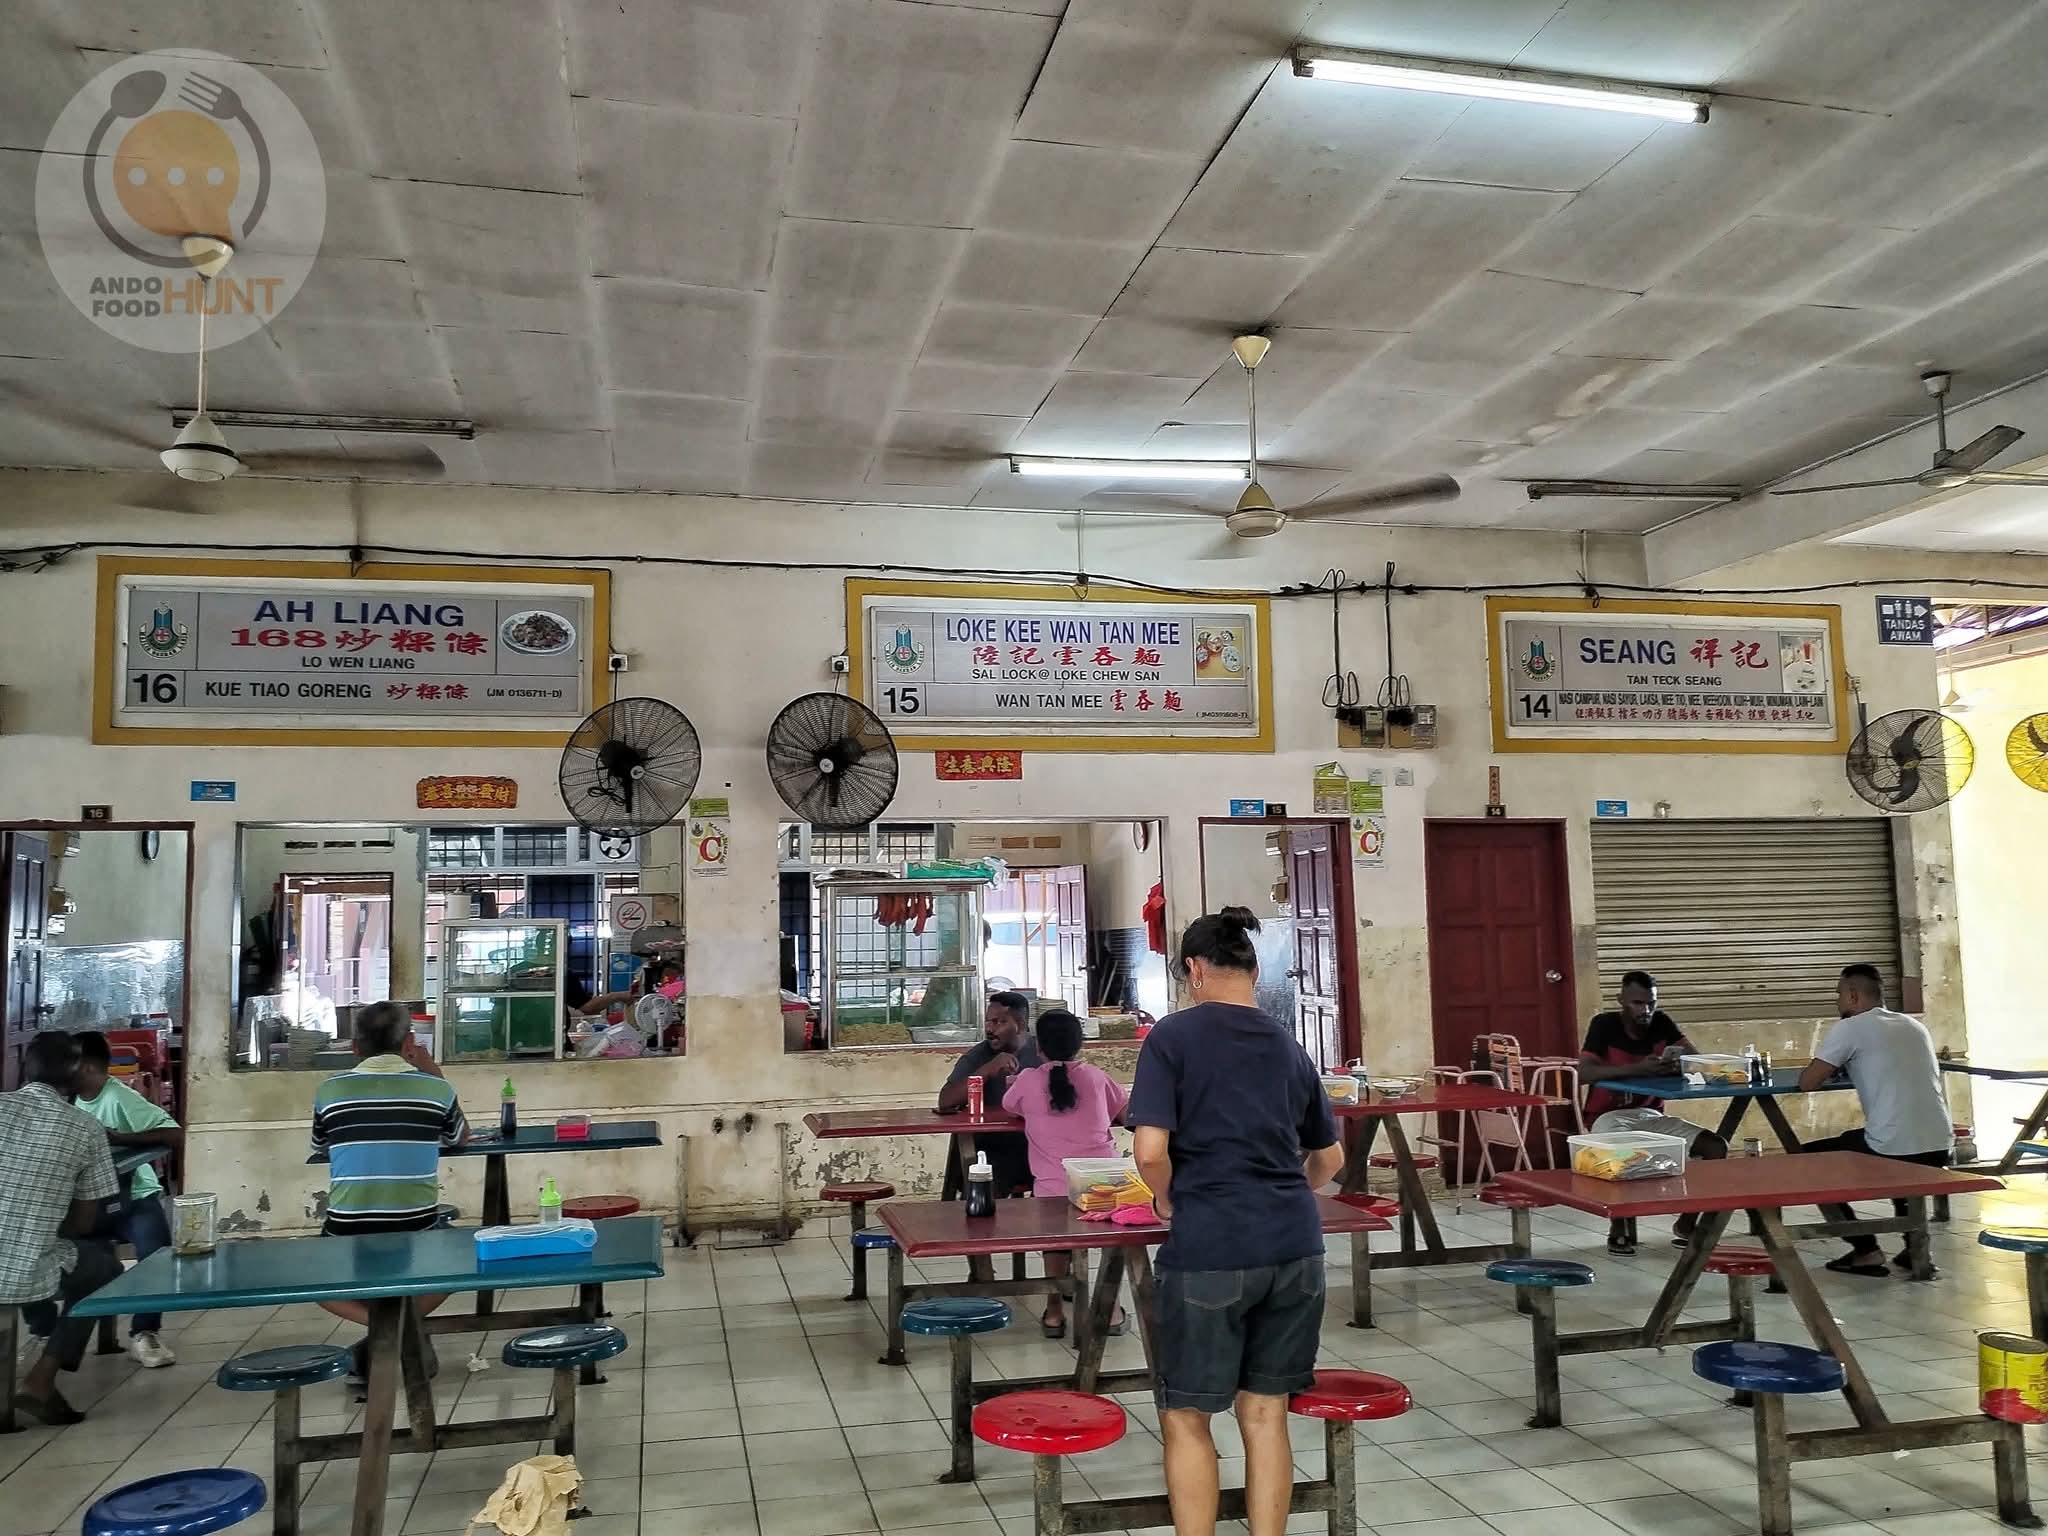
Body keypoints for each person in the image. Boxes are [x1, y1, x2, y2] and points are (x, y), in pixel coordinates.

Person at [1126, 909, 1345, 1536]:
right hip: (1295, 1249)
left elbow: (1149, 1151)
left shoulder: (1171, 1038)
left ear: (1194, 970)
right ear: (1253, 972)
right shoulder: (1288, 1044)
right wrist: (1283, 1194)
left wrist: (1167, 1199)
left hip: (1211, 1249)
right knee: (1265, 1413)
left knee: (1187, 1417)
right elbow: (1329, 1159)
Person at [311, 1001, 467, 1378]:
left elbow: (320, 1145)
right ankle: (398, 1328)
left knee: (315, 1283)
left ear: (354, 1047)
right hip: (416, 1230)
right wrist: (434, 1072)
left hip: (345, 1232)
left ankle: (381, 1332)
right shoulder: (436, 1090)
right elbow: (459, 1138)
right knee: (461, 1263)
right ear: (410, 1043)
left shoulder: (329, 1091)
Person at [1796, 963, 1954, 1278]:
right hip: (1940, 1143)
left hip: (1894, 1147)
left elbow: (1807, 1082)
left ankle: (1865, 1249)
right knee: (1893, 1144)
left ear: (1853, 995)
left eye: (1839, 994)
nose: (1838, 1001)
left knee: (1804, 1160)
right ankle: (1914, 1249)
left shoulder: (1850, 1028)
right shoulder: (1913, 1025)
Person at [0, 1032, 121, 1425]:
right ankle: (41, 1379)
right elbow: (83, 1222)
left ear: (26, 1068)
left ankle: (40, 1329)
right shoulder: (86, 1128)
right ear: (76, 1074)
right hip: (25, 1269)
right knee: (104, 1269)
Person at [1578, 970, 1728, 1255]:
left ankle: (1687, 1224)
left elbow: (1696, 1061)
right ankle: (1619, 1226)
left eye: (1651, 1003)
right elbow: (1584, 1073)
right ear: (1621, 1000)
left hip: (1650, 1115)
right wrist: (1638, 1069)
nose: (1645, 1010)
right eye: (1638, 1003)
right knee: (1621, 1156)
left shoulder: (1661, 1022)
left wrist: (1675, 1066)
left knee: (1715, 1147)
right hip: (1608, 1116)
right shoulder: (1604, 1025)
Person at [1002, 1008, 1129, 1339]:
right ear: (1080, 1044)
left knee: (1055, 1245)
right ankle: (1112, 1310)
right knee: (1110, 1241)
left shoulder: (1029, 1080)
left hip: (1053, 1189)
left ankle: (1055, 1312)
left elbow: (1009, 1106)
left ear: (1038, 1047)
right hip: (1103, 1184)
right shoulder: (1097, 1077)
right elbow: (1125, 1111)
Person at [72, 1032, 182, 1368]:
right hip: (87, 1202)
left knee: (157, 1256)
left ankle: (144, 1332)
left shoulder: (118, 1097)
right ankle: (60, 1334)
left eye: (68, 1063)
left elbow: (174, 1133)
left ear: (87, 1067)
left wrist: (121, 1138)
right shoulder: (66, 1100)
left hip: (133, 1197)